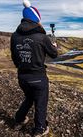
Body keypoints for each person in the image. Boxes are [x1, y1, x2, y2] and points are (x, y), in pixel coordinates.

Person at [10, 0, 58, 136]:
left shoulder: (14, 36)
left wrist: (21, 67)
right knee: (41, 103)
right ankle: (39, 129)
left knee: (29, 97)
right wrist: (53, 46)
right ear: (36, 19)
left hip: (22, 76)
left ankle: (19, 118)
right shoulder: (42, 37)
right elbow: (54, 55)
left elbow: (14, 57)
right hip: (38, 77)